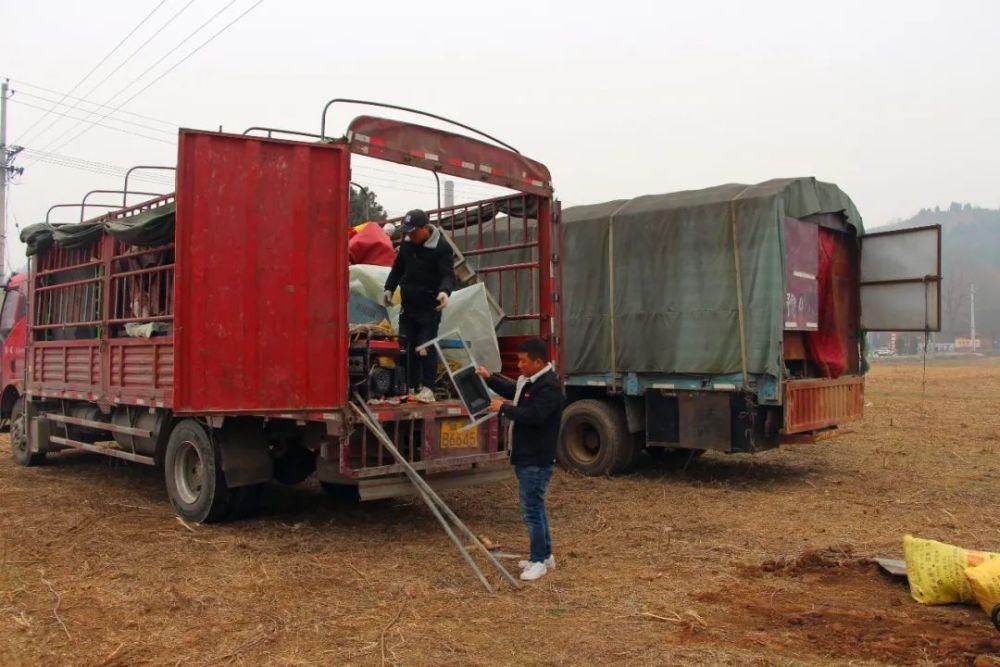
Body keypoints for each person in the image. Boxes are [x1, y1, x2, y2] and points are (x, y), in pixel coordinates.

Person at [477, 338, 563, 581]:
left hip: (536, 459)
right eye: (518, 359)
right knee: (536, 506)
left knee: (532, 510)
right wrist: (489, 377)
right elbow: (514, 392)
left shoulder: (549, 388)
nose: (519, 365)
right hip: (526, 456)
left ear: (538, 361)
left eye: (523, 361)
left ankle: (538, 562)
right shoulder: (530, 381)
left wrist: (502, 408)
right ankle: (545, 555)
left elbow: (534, 415)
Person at [384, 209, 456, 403]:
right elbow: (398, 269)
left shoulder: (441, 248)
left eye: (413, 232)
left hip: (428, 308)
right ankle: (407, 387)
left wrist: (444, 292)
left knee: (424, 347)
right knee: (406, 347)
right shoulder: (407, 246)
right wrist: (389, 288)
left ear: (425, 228)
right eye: (407, 233)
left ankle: (428, 388)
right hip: (408, 307)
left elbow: (448, 275)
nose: (410, 236)